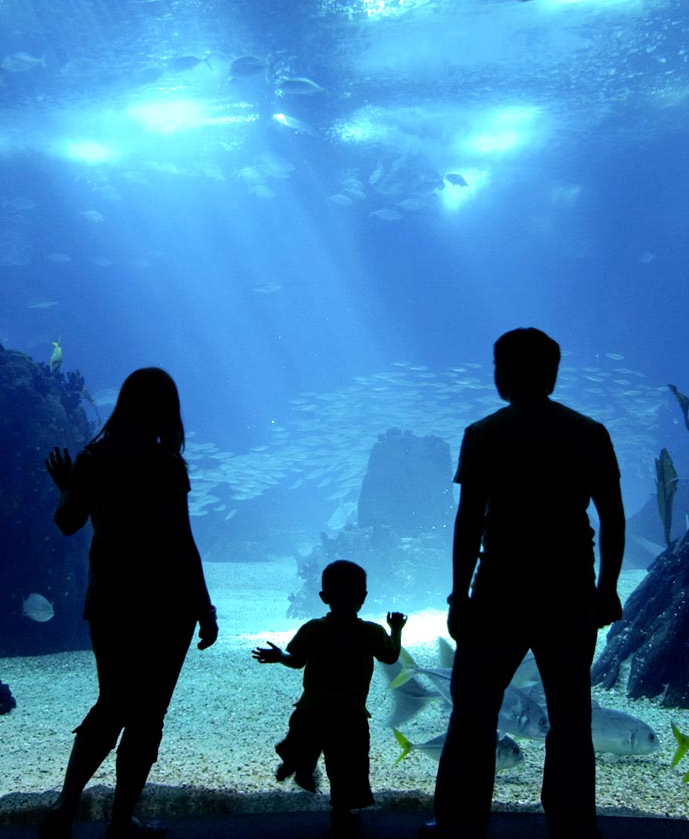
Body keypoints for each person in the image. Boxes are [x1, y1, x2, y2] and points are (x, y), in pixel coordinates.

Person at [423, 328, 627, 839]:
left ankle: (459, 822)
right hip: (569, 587)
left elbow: (469, 521)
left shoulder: (485, 433)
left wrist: (458, 594)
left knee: (473, 710)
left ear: (504, 373)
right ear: (553, 374)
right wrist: (607, 587)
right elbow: (613, 518)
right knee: (570, 711)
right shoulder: (589, 433)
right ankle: (572, 822)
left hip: (500, 589)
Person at [38, 367, 220, 839]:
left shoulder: (96, 458)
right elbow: (183, 541)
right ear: (167, 411)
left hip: (114, 600)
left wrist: (66, 486)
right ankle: (120, 821)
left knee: (112, 704)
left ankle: (64, 808)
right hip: (168, 603)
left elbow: (68, 523)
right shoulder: (167, 465)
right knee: (147, 714)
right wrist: (204, 606)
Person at [253, 560, 407, 835]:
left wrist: (278, 657)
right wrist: (396, 628)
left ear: (324, 597)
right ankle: (340, 812)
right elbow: (391, 655)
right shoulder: (371, 632)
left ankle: (297, 762)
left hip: (311, 710)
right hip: (349, 716)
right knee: (346, 769)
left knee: (304, 742)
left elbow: (297, 661)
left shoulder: (314, 628)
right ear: (363, 598)